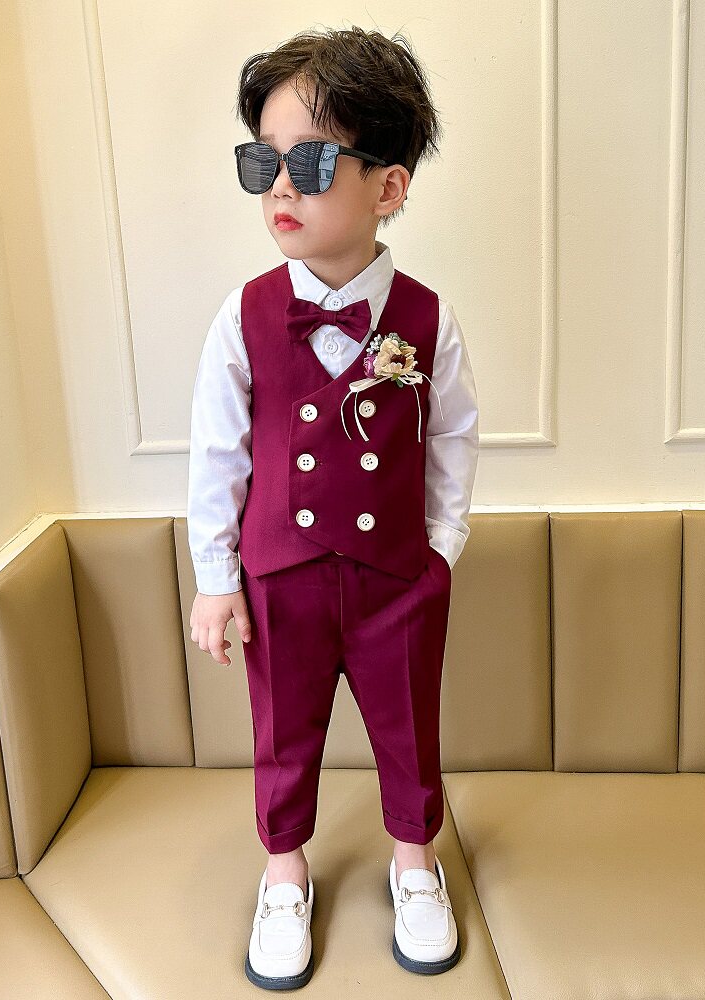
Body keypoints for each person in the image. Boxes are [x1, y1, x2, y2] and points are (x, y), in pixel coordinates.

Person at [187, 25, 479, 990]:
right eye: (262, 161)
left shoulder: (428, 320)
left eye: (310, 162)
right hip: (280, 578)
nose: (280, 185)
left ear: (388, 186)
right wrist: (216, 578)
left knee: (409, 724)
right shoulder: (242, 316)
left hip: (398, 578)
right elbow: (217, 452)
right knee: (283, 730)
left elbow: (453, 437)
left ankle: (415, 861)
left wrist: (439, 549)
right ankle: (284, 874)